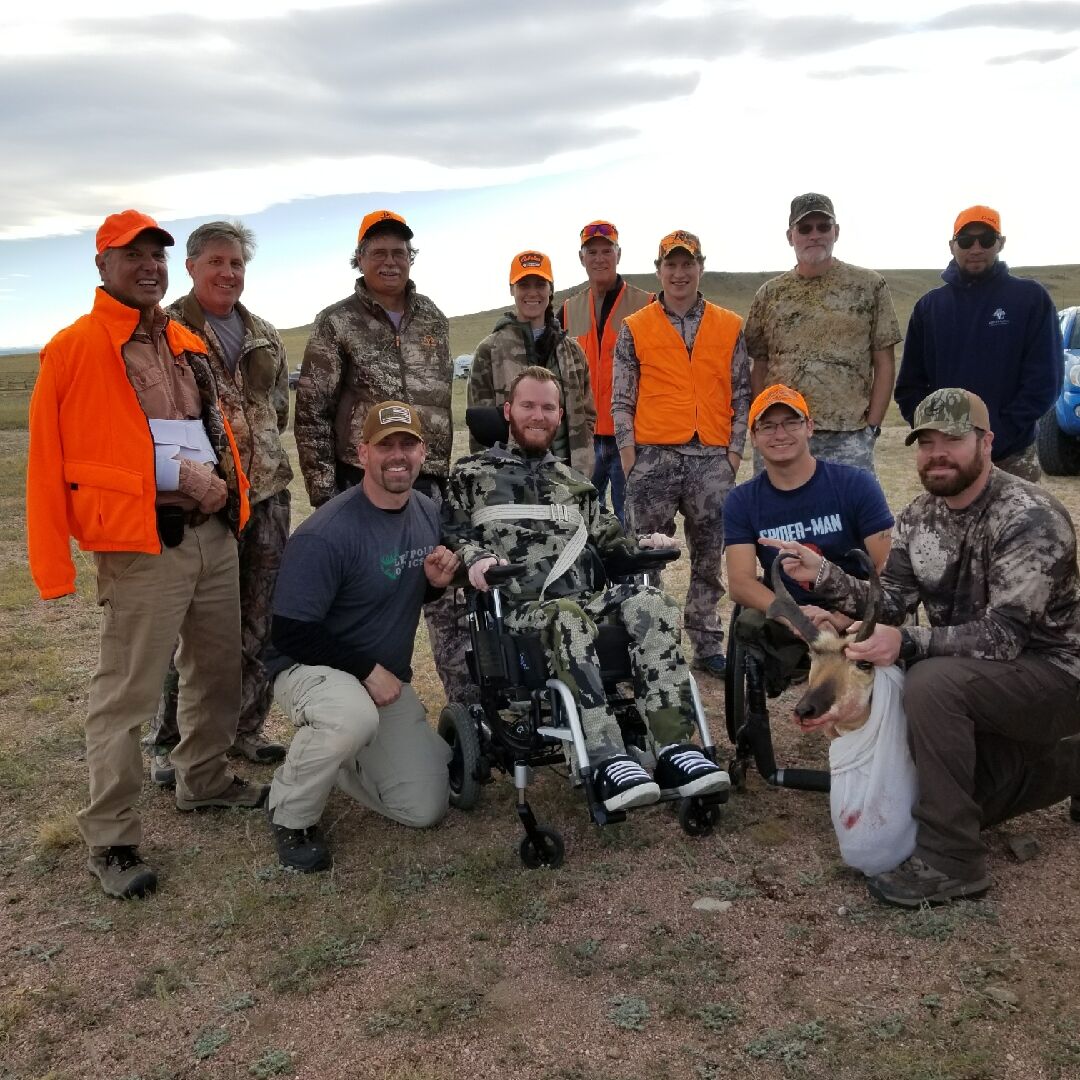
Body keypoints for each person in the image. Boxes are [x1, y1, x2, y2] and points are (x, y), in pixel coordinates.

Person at [26, 210, 267, 900]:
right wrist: (53, 568)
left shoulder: (184, 338)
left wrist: (226, 492)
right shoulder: (72, 349)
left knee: (216, 667)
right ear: (102, 266)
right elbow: (46, 462)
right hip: (139, 546)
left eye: (157, 255)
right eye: (132, 255)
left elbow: (211, 428)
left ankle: (205, 779)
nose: (149, 266)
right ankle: (111, 836)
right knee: (126, 694)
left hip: (211, 533)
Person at [765, 388, 1080, 908]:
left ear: (985, 442)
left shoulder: (1029, 516)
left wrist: (906, 642)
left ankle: (954, 861)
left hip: (1054, 678)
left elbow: (1004, 637)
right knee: (959, 794)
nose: (937, 453)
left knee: (930, 684)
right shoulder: (920, 517)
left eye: (952, 440)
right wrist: (821, 577)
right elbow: (888, 603)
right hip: (984, 682)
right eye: (925, 441)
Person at [446, 366, 730, 813]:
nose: (537, 415)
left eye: (547, 407)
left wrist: (645, 545)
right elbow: (451, 535)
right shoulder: (471, 476)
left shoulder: (575, 484)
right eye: (528, 406)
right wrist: (474, 558)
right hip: (522, 610)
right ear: (507, 411)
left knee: (651, 603)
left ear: (559, 416)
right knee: (566, 616)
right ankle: (605, 758)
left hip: (584, 601)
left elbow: (612, 541)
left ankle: (675, 750)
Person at [264, 401, 460, 872]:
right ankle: (290, 813)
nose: (398, 455)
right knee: (349, 718)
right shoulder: (327, 532)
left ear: (423, 451)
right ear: (362, 453)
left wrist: (436, 586)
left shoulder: (427, 512)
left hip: (381, 681)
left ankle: (340, 762)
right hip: (307, 668)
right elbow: (289, 631)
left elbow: (407, 598)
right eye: (385, 445)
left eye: (407, 444)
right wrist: (367, 672)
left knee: (425, 807)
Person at [293, 209, 469, 704]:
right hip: (361, 482)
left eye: (399, 252)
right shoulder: (337, 322)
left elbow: (437, 403)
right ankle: (355, 707)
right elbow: (311, 413)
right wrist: (328, 497)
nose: (390, 262)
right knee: (363, 601)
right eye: (379, 253)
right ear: (361, 259)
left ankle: (466, 708)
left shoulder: (432, 315)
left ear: (410, 258)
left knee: (444, 593)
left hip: (428, 480)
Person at [147, 220, 292, 784]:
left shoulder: (264, 334)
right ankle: (170, 743)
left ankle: (243, 732)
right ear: (190, 267)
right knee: (191, 631)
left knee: (259, 621)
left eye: (236, 264)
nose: (228, 273)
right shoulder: (165, 331)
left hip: (269, 497)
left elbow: (274, 412)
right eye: (216, 262)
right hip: (202, 503)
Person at [611, 229, 750, 677]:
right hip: (653, 457)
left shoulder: (730, 325)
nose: (679, 272)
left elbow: (743, 394)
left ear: (700, 267)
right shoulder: (636, 327)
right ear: (658, 271)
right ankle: (642, 641)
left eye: (687, 263)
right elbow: (621, 399)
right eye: (670, 264)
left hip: (711, 458)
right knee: (642, 557)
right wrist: (631, 457)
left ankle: (707, 642)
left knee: (710, 557)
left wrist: (733, 453)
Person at [724, 384, 893, 687]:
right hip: (790, 612)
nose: (780, 434)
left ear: (810, 427)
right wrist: (795, 616)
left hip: (856, 607)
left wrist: (842, 617)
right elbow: (740, 583)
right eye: (768, 426)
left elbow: (886, 570)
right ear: (753, 437)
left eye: (792, 422)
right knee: (749, 623)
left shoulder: (856, 485)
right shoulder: (742, 501)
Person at [894, 204, 1061, 482]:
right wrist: (936, 435)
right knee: (951, 525)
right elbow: (910, 386)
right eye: (966, 240)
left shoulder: (1030, 299)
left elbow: (1044, 382)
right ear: (952, 245)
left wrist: (999, 434)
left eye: (986, 239)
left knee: (1020, 525)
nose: (976, 248)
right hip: (948, 458)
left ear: (1000, 243)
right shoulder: (929, 307)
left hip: (1012, 455)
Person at [744, 193, 901, 472]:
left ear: (836, 232)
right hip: (784, 432)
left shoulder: (869, 286)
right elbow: (760, 365)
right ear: (790, 236)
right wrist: (762, 423)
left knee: (849, 514)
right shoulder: (769, 294)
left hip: (848, 434)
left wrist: (872, 428)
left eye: (823, 227)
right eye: (805, 228)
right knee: (780, 512)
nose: (814, 235)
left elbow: (884, 361)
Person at [469, 249, 596, 475]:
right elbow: (480, 428)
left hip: (569, 477)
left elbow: (587, 416)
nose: (532, 293)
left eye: (540, 284)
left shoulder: (573, 352)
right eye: (524, 285)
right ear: (512, 289)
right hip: (511, 479)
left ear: (551, 290)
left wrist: (582, 463)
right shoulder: (489, 351)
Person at [560, 221, 653, 522]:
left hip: (630, 436)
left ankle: (637, 573)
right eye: (592, 252)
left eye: (606, 251)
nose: (599, 258)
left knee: (633, 521)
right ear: (581, 258)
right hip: (583, 438)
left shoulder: (646, 305)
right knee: (582, 519)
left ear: (619, 254)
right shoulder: (567, 309)